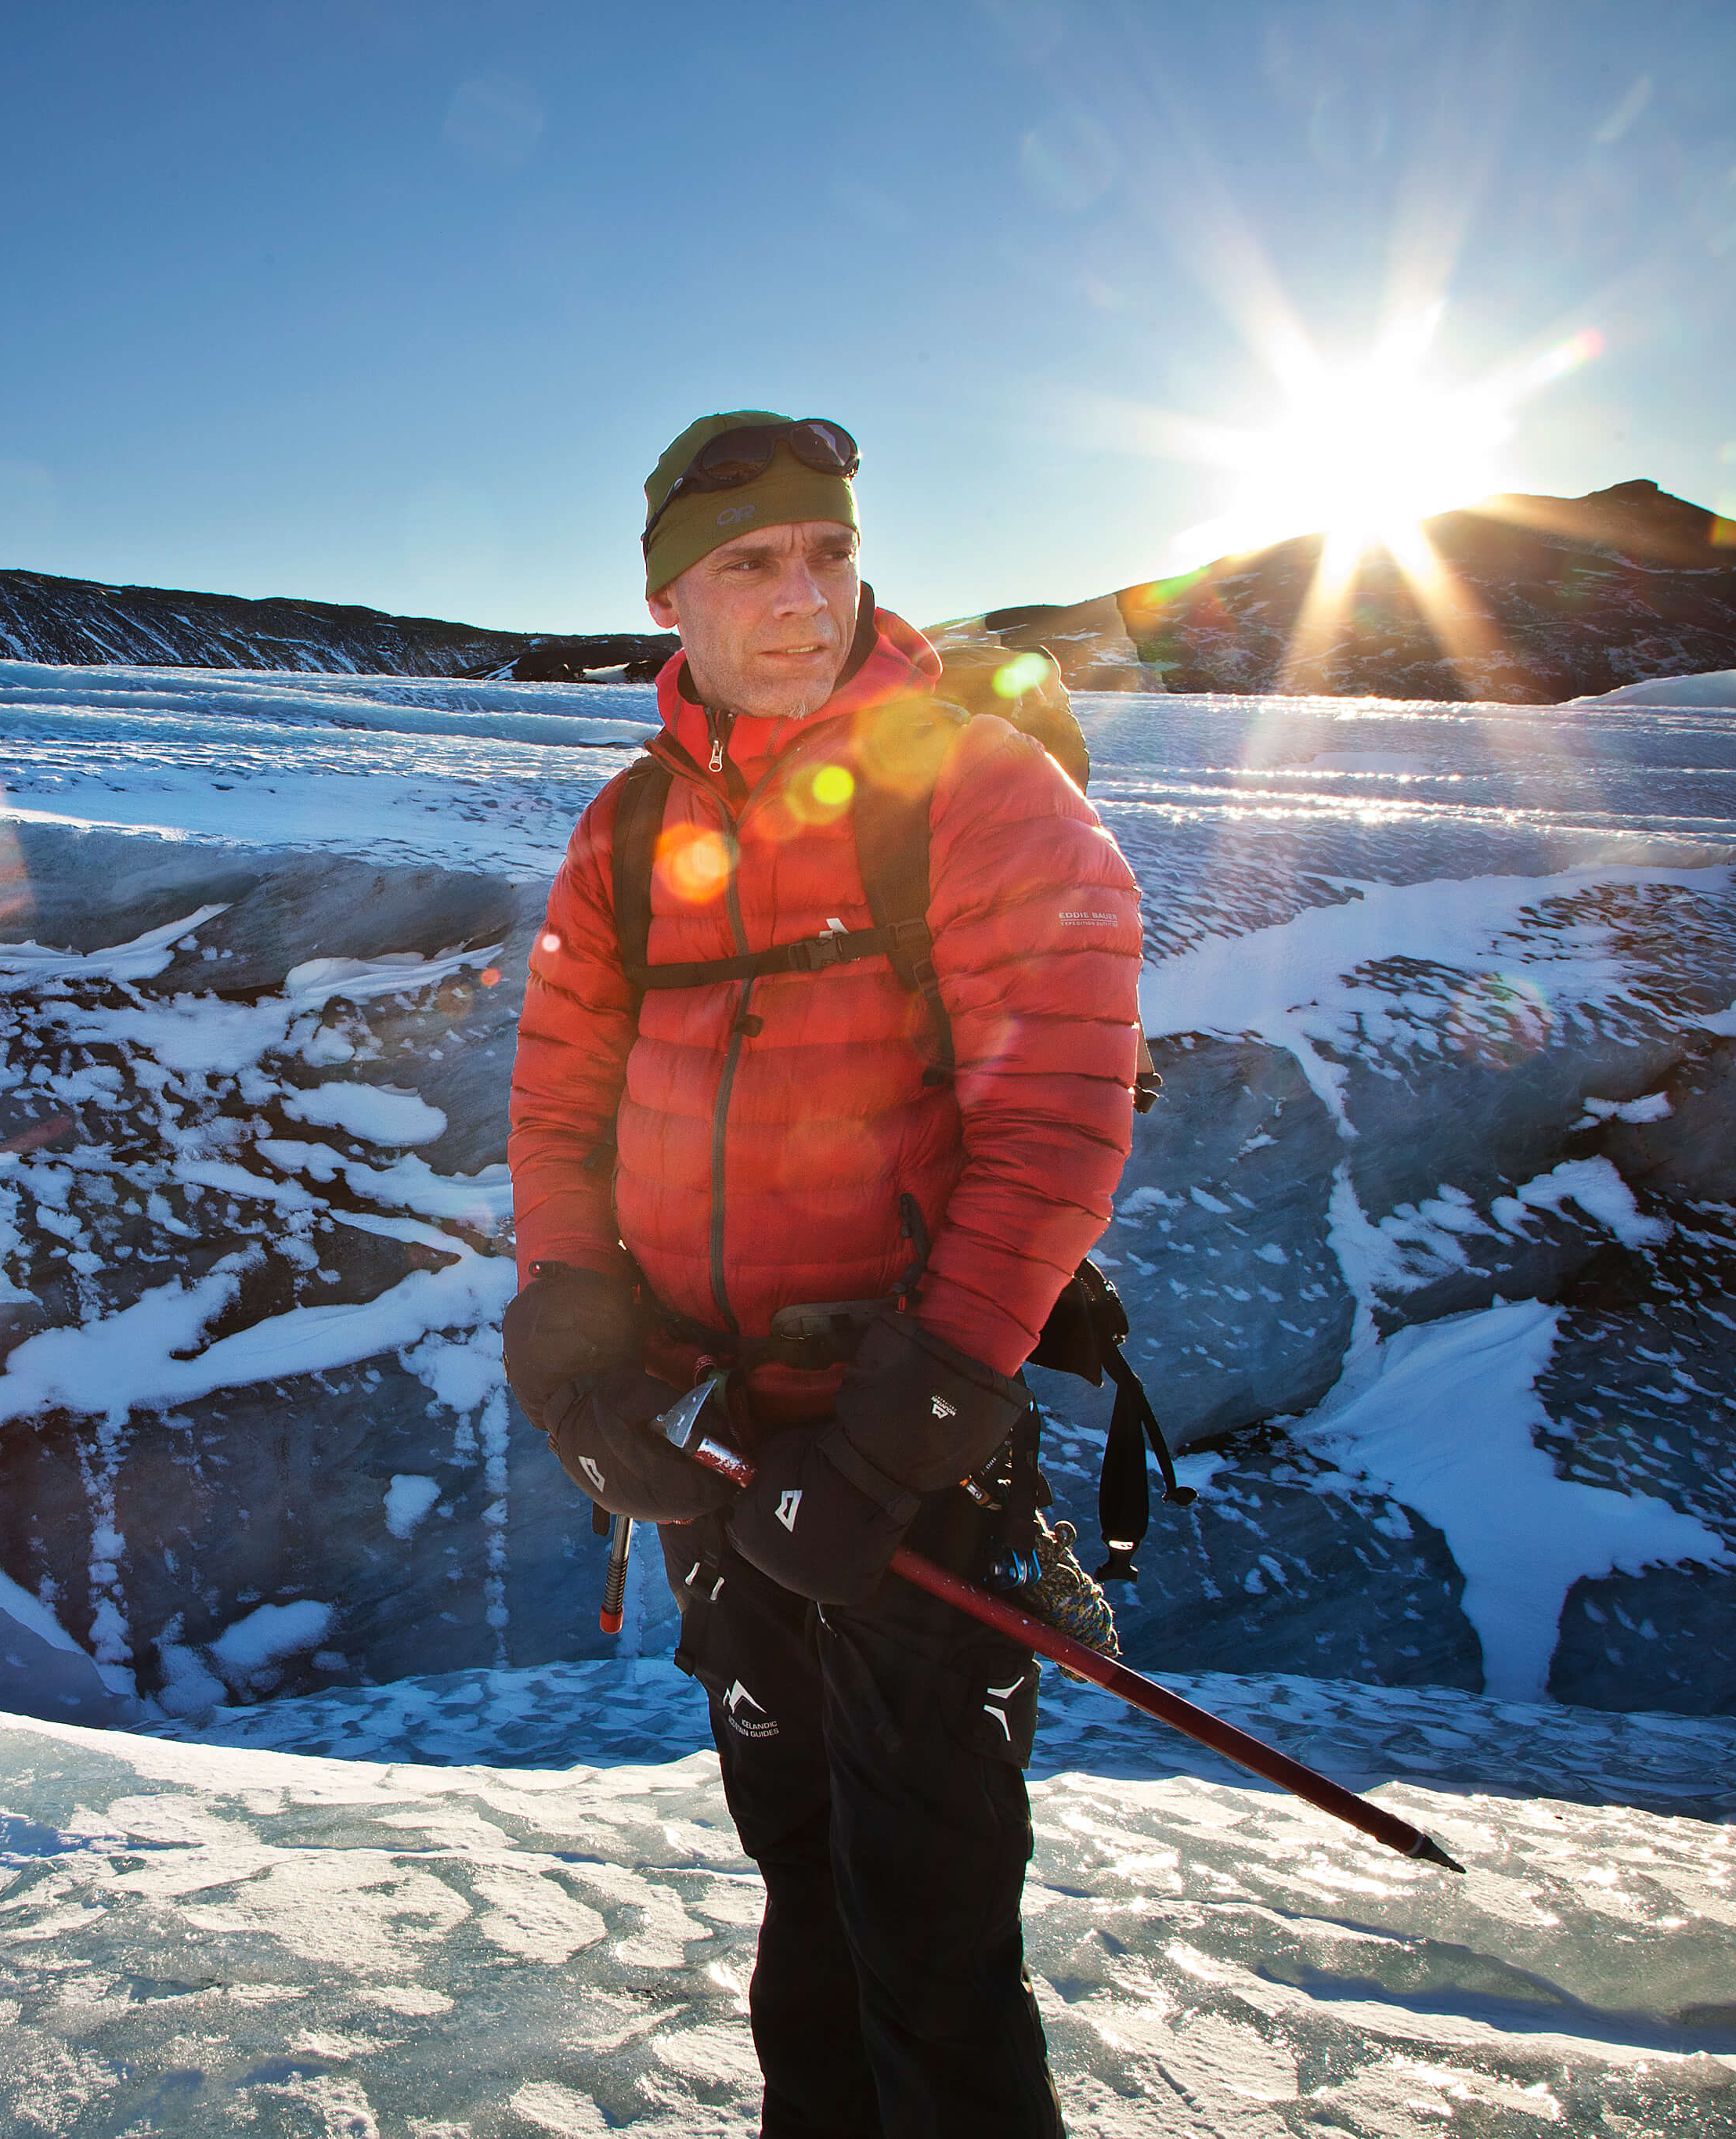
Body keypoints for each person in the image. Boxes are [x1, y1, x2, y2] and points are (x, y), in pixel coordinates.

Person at [502, 411, 1143, 2136]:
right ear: (669, 599)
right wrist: (574, 1338)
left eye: (826, 555)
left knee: (928, 1935)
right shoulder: (627, 832)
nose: (801, 598)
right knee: (800, 1890)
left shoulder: (972, 786)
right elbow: (558, 1098)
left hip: (906, 1458)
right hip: (720, 1451)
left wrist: (891, 1440)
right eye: (749, 564)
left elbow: (1056, 1123)